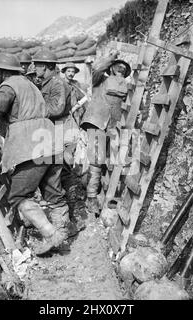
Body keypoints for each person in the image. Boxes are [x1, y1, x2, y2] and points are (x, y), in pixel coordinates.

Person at [0, 53, 70, 255]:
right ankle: (64, 231)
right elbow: (13, 108)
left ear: (2, 71)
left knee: (18, 196)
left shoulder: (9, 85)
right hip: (50, 141)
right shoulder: (28, 85)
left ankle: (52, 234)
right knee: (53, 192)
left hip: (31, 145)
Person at [80, 51, 131, 216]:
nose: (121, 68)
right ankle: (91, 198)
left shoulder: (124, 85)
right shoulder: (100, 79)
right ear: (111, 67)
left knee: (103, 161)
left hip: (112, 126)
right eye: (118, 65)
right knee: (96, 160)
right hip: (96, 121)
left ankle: (92, 189)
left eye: (124, 67)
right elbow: (96, 67)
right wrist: (111, 57)